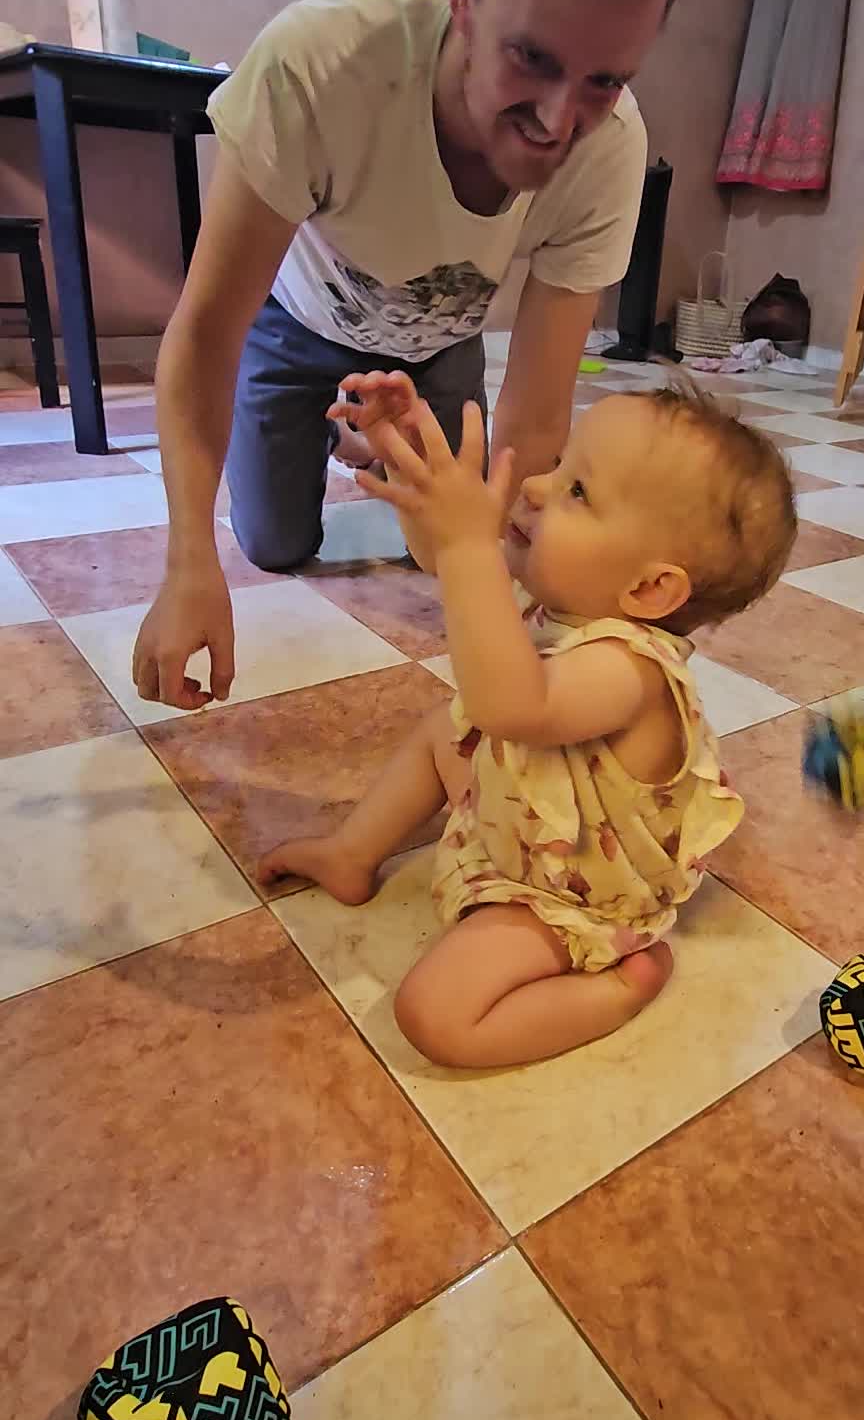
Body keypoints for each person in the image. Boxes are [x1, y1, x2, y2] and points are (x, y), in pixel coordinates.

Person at [132, 0, 690, 712]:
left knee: (445, 549)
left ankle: (380, 433)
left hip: (438, 349)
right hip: (297, 327)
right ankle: (335, 428)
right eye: (531, 58)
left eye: (605, 79)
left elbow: (537, 410)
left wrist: (513, 612)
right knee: (273, 544)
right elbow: (204, 333)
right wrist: (188, 560)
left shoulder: (613, 147)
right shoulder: (316, 65)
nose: (560, 122)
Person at [258, 374, 797, 1069]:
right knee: (442, 730)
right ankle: (352, 853)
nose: (537, 486)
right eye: (561, 464)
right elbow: (442, 559)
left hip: (571, 890)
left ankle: (618, 991)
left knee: (435, 1017)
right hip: (523, 818)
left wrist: (470, 547)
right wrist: (408, 462)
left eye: (578, 491)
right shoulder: (572, 603)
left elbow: (510, 706)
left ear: (648, 588)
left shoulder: (629, 669)